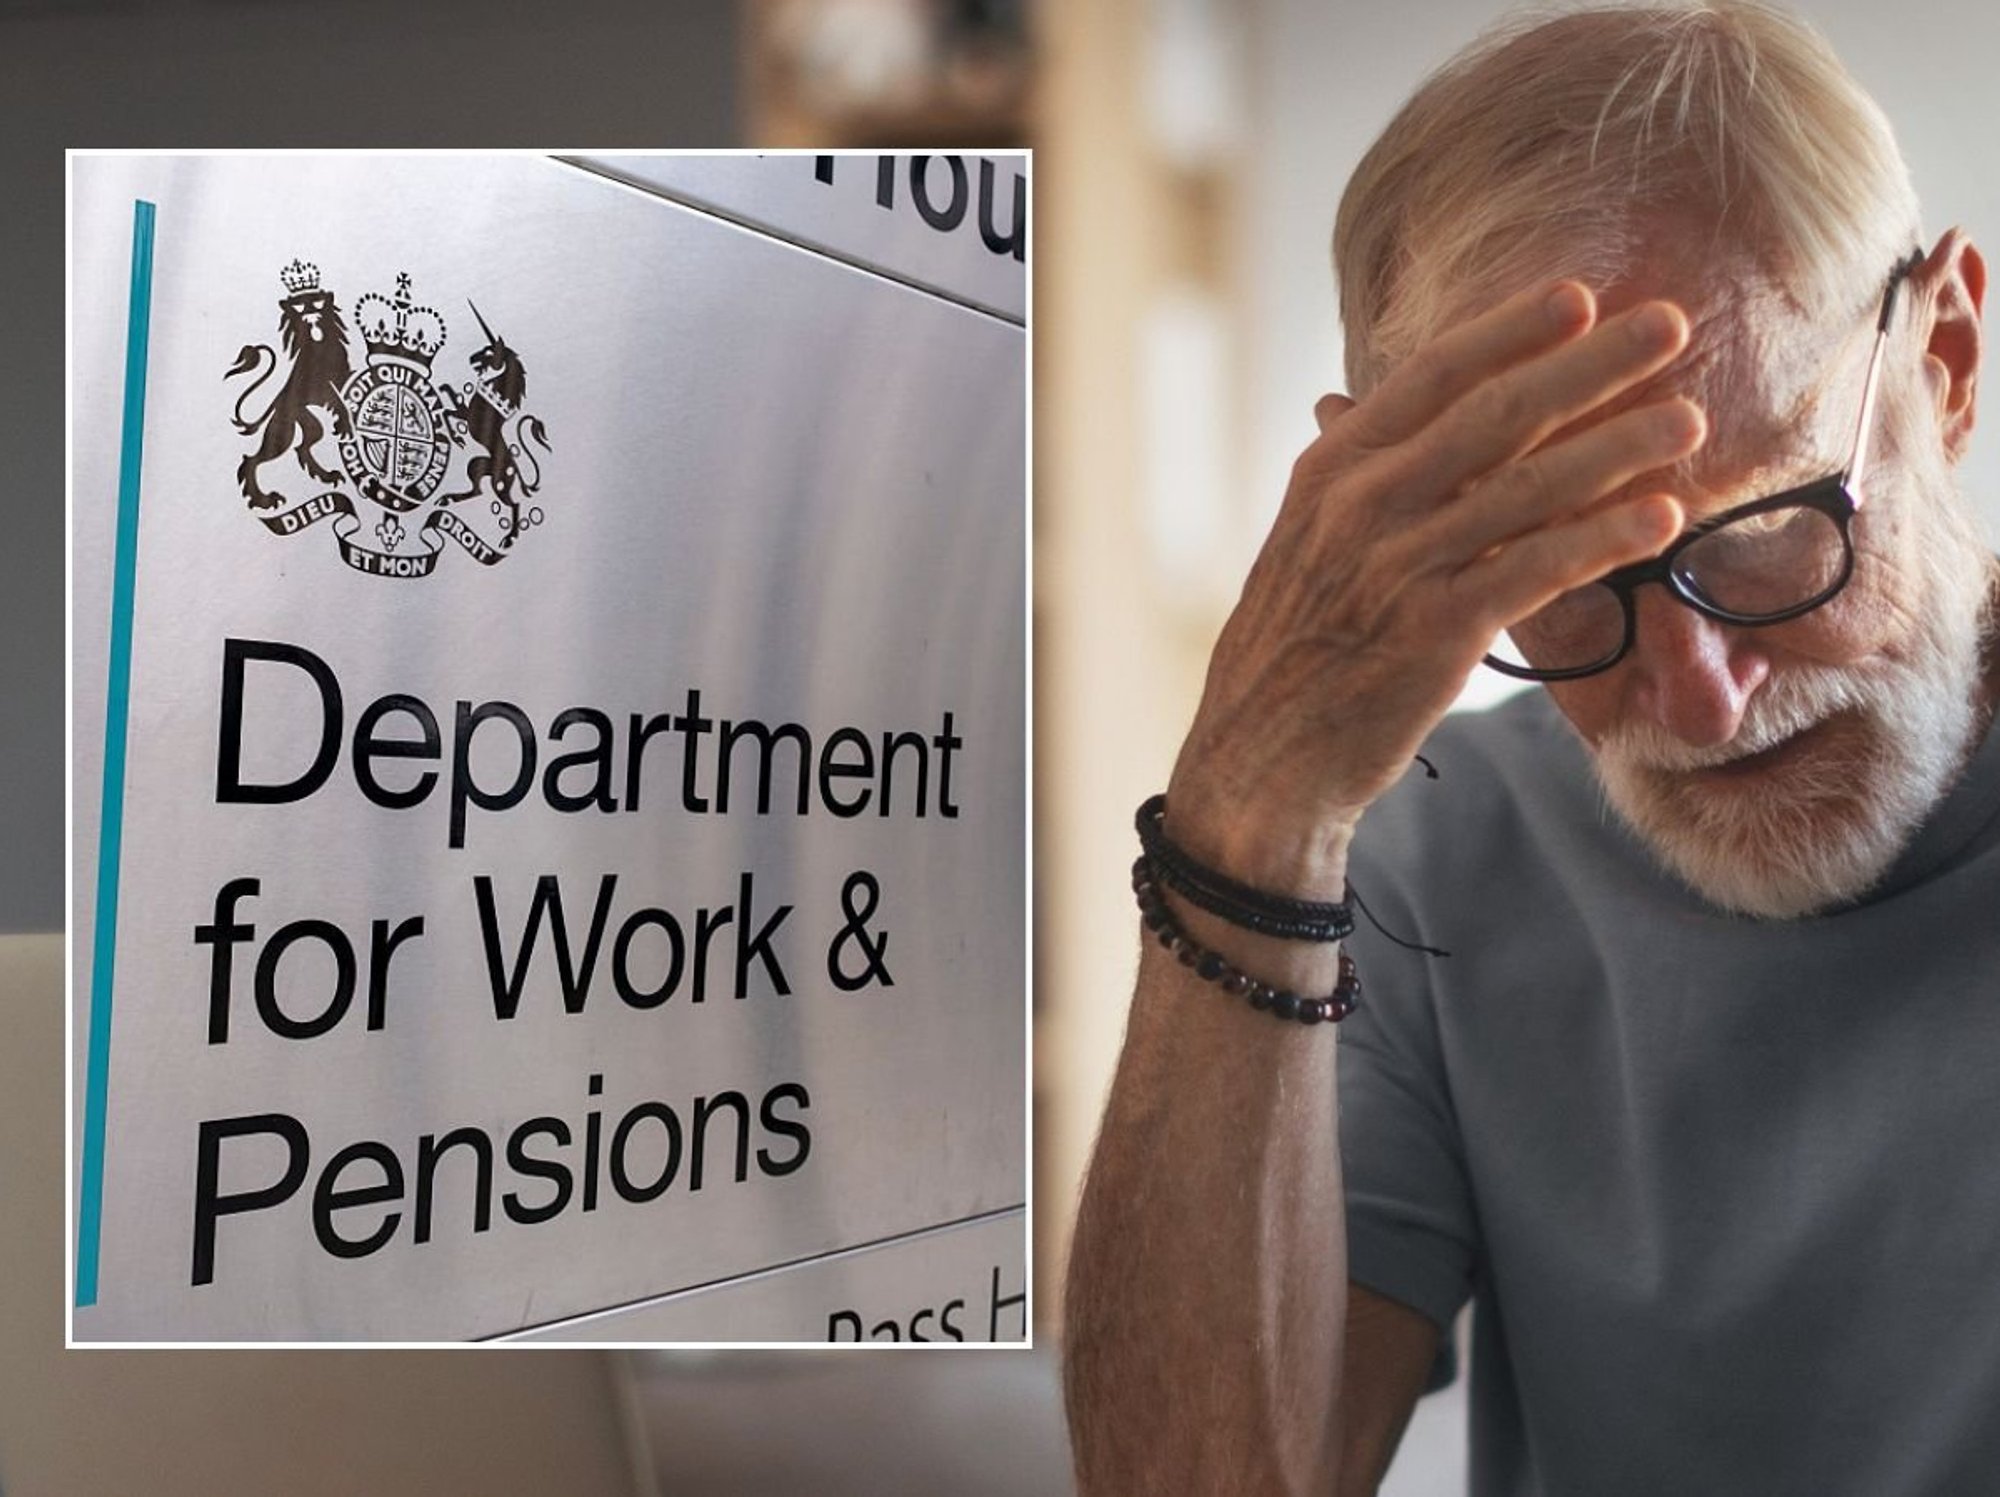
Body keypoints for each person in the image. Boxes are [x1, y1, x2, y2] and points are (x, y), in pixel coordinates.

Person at [1062, 5, 2000, 1494]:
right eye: (1561, 586)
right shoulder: (1439, 858)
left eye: (1766, 535)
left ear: (1945, 357)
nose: (1694, 704)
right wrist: (1257, 800)